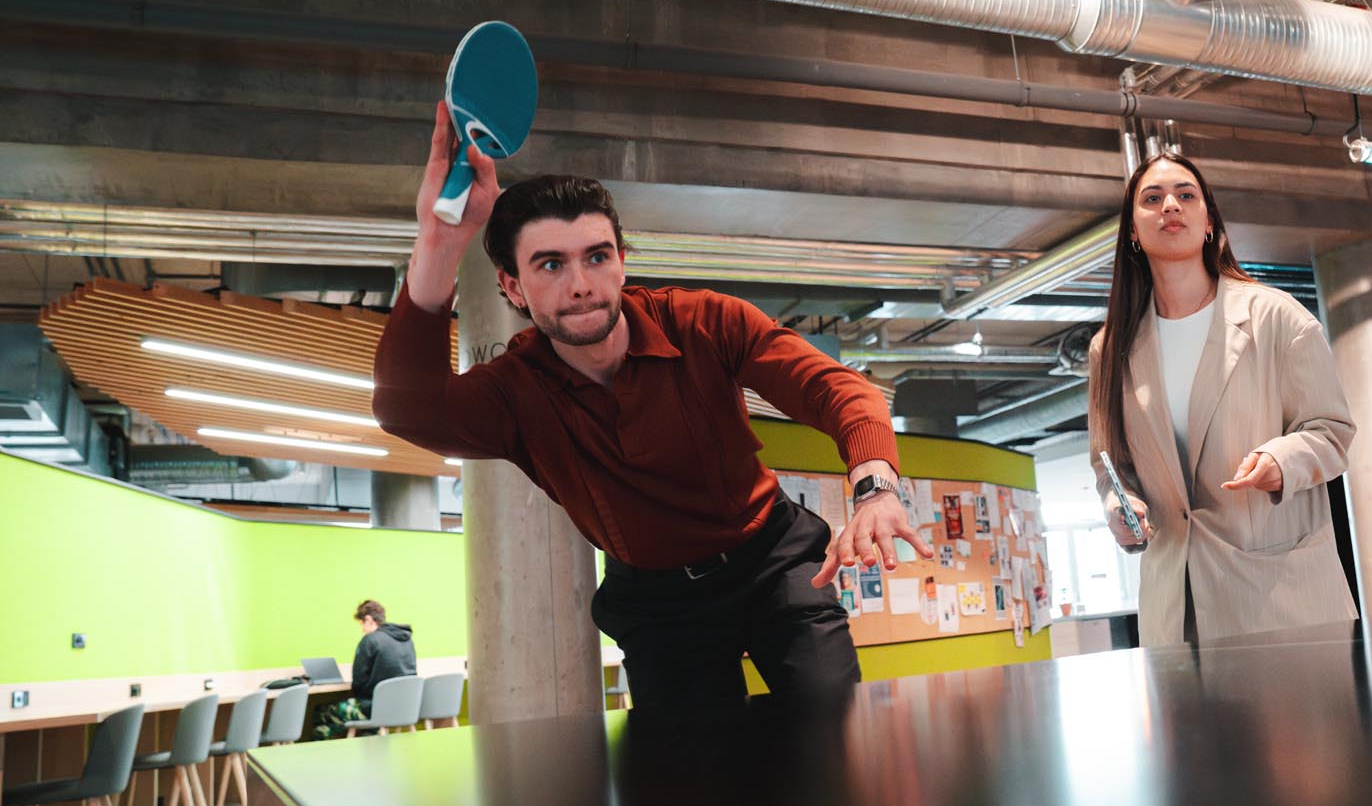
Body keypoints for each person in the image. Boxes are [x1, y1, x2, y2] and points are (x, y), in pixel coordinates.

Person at [372, 105, 930, 717]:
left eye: (597, 256)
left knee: (835, 728)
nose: (581, 283)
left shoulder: (705, 321)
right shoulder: (514, 391)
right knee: (692, 784)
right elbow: (407, 410)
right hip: (658, 602)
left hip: (773, 564)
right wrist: (439, 243)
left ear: (621, 259)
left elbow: (838, 390)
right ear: (511, 287)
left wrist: (875, 487)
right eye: (550, 264)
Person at [1087, 152, 1356, 645]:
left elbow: (1332, 432)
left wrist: (1280, 458)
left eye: (1185, 195)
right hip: (1175, 606)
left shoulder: (1276, 317)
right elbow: (1110, 465)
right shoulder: (1111, 347)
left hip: (1278, 599)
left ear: (1209, 222)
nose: (1170, 206)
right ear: (1132, 231)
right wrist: (1116, 506)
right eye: (1153, 198)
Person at [314, 599, 417, 738]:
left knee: (323, 713)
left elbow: (358, 681)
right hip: (405, 708)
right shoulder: (406, 640)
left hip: (376, 709)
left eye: (361, 624)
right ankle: (371, 747)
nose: (362, 629)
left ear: (368, 619)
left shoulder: (370, 640)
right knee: (367, 716)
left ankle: (321, 756)